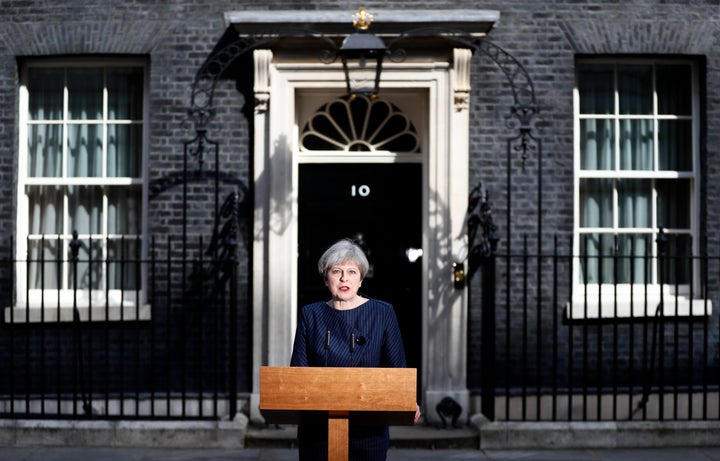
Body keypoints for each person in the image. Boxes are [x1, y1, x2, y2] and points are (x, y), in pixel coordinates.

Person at [290, 238, 420, 461]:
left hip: (368, 428)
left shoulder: (383, 313)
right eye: (336, 271)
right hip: (318, 429)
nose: (344, 278)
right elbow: (298, 374)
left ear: (360, 279)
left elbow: (397, 370)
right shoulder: (310, 314)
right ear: (325, 278)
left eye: (352, 271)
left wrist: (407, 398)